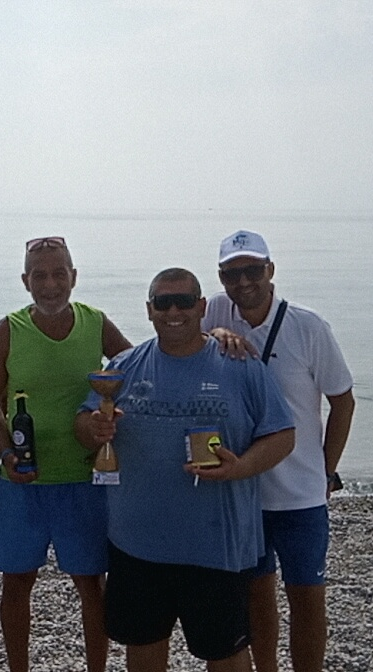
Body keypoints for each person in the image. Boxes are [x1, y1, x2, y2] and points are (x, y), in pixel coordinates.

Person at [75, 267, 296, 672]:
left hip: (217, 547)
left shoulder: (241, 364)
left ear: (201, 306)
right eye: (163, 303)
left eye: (183, 302)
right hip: (137, 546)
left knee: (225, 654)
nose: (173, 311)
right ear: (149, 310)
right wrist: (94, 429)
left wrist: (240, 467)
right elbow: (84, 422)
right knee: (143, 649)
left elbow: (282, 435)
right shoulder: (124, 366)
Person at [0, 236, 131, 672]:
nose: (49, 284)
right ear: (25, 281)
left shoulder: (95, 323)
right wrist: (4, 453)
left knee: (90, 585)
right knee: (16, 584)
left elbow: (138, 368)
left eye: (58, 274)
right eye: (39, 275)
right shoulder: (8, 330)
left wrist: (205, 338)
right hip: (23, 480)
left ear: (73, 277)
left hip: (83, 479)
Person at [201, 230, 355, 672]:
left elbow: (342, 400)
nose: (243, 281)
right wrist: (214, 331)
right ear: (221, 278)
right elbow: (181, 338)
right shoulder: (216, 310)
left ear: (270, 270)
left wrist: (327, 471)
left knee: (306, 595)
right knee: (255, 592)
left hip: (300, 494)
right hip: (243, 491)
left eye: (253, 270)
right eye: (232, 273)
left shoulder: (308, 327)